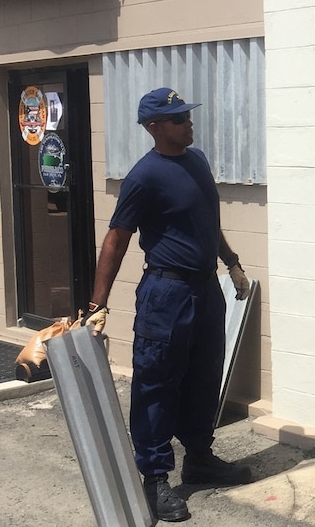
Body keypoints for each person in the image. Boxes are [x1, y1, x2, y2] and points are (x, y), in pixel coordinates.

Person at [83, 87, 254, 523]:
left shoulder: (196, 162)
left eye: (188, 116)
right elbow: (116, 238)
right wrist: (97, 304)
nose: (188, 123)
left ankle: (199, 456)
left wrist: (230, 261)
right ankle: (155, 477)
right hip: (167, 293)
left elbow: (206, 222)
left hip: (204, 289)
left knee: (203, 376)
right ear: (155, 127)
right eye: (178, 119)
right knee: (157, 384)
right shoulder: (145, 175)